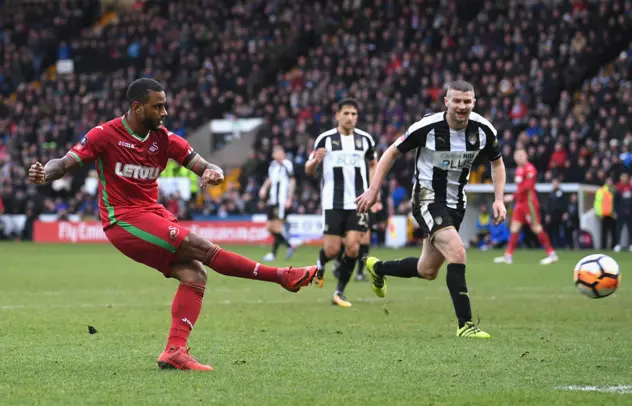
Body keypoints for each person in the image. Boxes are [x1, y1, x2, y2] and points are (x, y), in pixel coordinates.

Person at [28, 78, 317, 371]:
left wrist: (213, 173)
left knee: (195, 274)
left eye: (165, 105)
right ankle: (281, 276)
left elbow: (206, 165)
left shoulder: (165, 139)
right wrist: (44, 173)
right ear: (137, 108)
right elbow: (64, 163)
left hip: (154, 214)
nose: (165, 112)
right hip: (123, 219)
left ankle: (174, 351)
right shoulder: (105, 134)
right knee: (202, 248)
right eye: (158, 106)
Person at [356, 80, 506, 338]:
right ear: (446, 101)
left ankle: (378, 268)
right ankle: (466, 325)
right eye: (457, 101)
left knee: (428, 270)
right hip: (427, 199)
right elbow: (391, 153)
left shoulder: (483, 130)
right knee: (458, 252)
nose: (462, 106)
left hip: (456, 204)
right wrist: (373, 190)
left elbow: (498, 164)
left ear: (474, 103)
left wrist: (499, 198)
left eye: (467, 101)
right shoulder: (427, 127)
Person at [304, 98, 377, 307]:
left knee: (353, 248)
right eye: (346, 113)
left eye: (354, 114)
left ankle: (339, 292)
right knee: (333, 250)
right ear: (338, 115)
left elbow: (374, 164)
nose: (350, 118)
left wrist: (373, 190)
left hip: (358, 201)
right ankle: (320, 263)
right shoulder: (324, 139)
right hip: (332, 202)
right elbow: (308, 170)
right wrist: (316, 160)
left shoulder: (365, 140)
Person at [493, 148, 558, 265]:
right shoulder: (518, 170)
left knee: (536, 228)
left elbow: (527, 187)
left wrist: (512, 196)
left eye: (522, 155)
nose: (519, 158)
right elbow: (520, 187)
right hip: (520, 204)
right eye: (517, 156)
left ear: (526, 156)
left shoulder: (530, 169)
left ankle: (552, 254)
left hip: (530, 204)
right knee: (514, 228)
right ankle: (508, 256)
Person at [259, 145, 296, 261]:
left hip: (282, 201)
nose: (274, 154)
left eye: (277, 152)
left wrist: (289, 198)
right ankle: (289, 245)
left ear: (282, 153)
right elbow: (270, 179)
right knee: (270, 227)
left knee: (277, 227)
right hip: (272, 200)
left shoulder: (287, 165)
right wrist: (264, 188)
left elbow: (292, 181)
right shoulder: (273, 165)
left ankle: (273, 254)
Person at [613, 172, 632, 252]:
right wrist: (615, 211)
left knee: (631, 229)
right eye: (622, 177)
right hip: (621, 212)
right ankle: (618, 244)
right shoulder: (618, 189)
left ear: (628, 179)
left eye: (625, 177)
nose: (624, 179)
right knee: (618, 229)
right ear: (620, 179)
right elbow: (615, 202)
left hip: (630, 213)